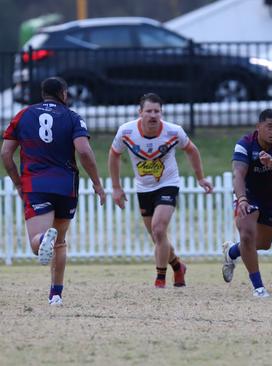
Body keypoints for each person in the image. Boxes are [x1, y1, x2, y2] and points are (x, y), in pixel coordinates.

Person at [1, 76, 106, 306]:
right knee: (60, 242)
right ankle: (56, 295)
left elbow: (6, 153)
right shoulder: (73, 117)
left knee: (37, 244)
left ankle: (42, 239)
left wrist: (18, 183)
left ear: (43, 93)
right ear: (64, 94)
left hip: (36, 185)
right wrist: (97, 183)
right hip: (66, 186)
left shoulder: (23, 115)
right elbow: (84, 151)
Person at [108, 93, 213, 288]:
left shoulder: (174, 131)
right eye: (149, 111)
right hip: (143, 188)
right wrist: (116, 187)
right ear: (140, 113)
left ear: (162, 113)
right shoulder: (126, 132)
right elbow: (114, 156)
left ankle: (160, 279)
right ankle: (177, 266)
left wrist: (200, 177)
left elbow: (192, 150)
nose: (153, 115)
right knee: (158, 236)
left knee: (158, 228)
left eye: (157, 111)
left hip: (168, 184)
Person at [221, 109, 272, 298]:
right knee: (247, 235)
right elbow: (238, 174)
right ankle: (258, 288)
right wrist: (242, 199)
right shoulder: (245, 144)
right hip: (248, 195)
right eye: (269, 127)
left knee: (262, 244)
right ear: (258, 127)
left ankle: (231, 251)